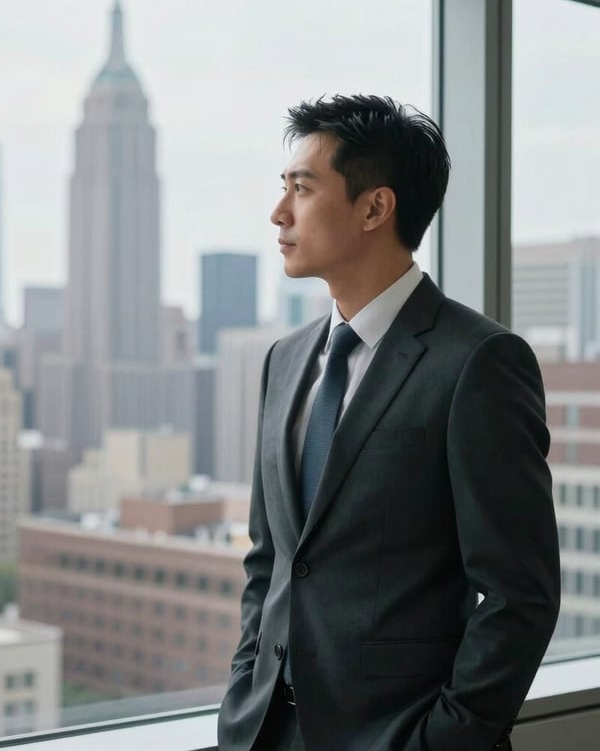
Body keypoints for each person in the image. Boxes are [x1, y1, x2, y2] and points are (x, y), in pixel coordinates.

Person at [217, 95, 561, 751]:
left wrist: (446, 739)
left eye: (302, 188)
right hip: (266, 733)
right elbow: (271, 561)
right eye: (281, 187)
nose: (279, 211)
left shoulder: (478, 363)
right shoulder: (285, 361)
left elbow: (522, 594)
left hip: (400, 737)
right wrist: (245, 688)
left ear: (375, 208)